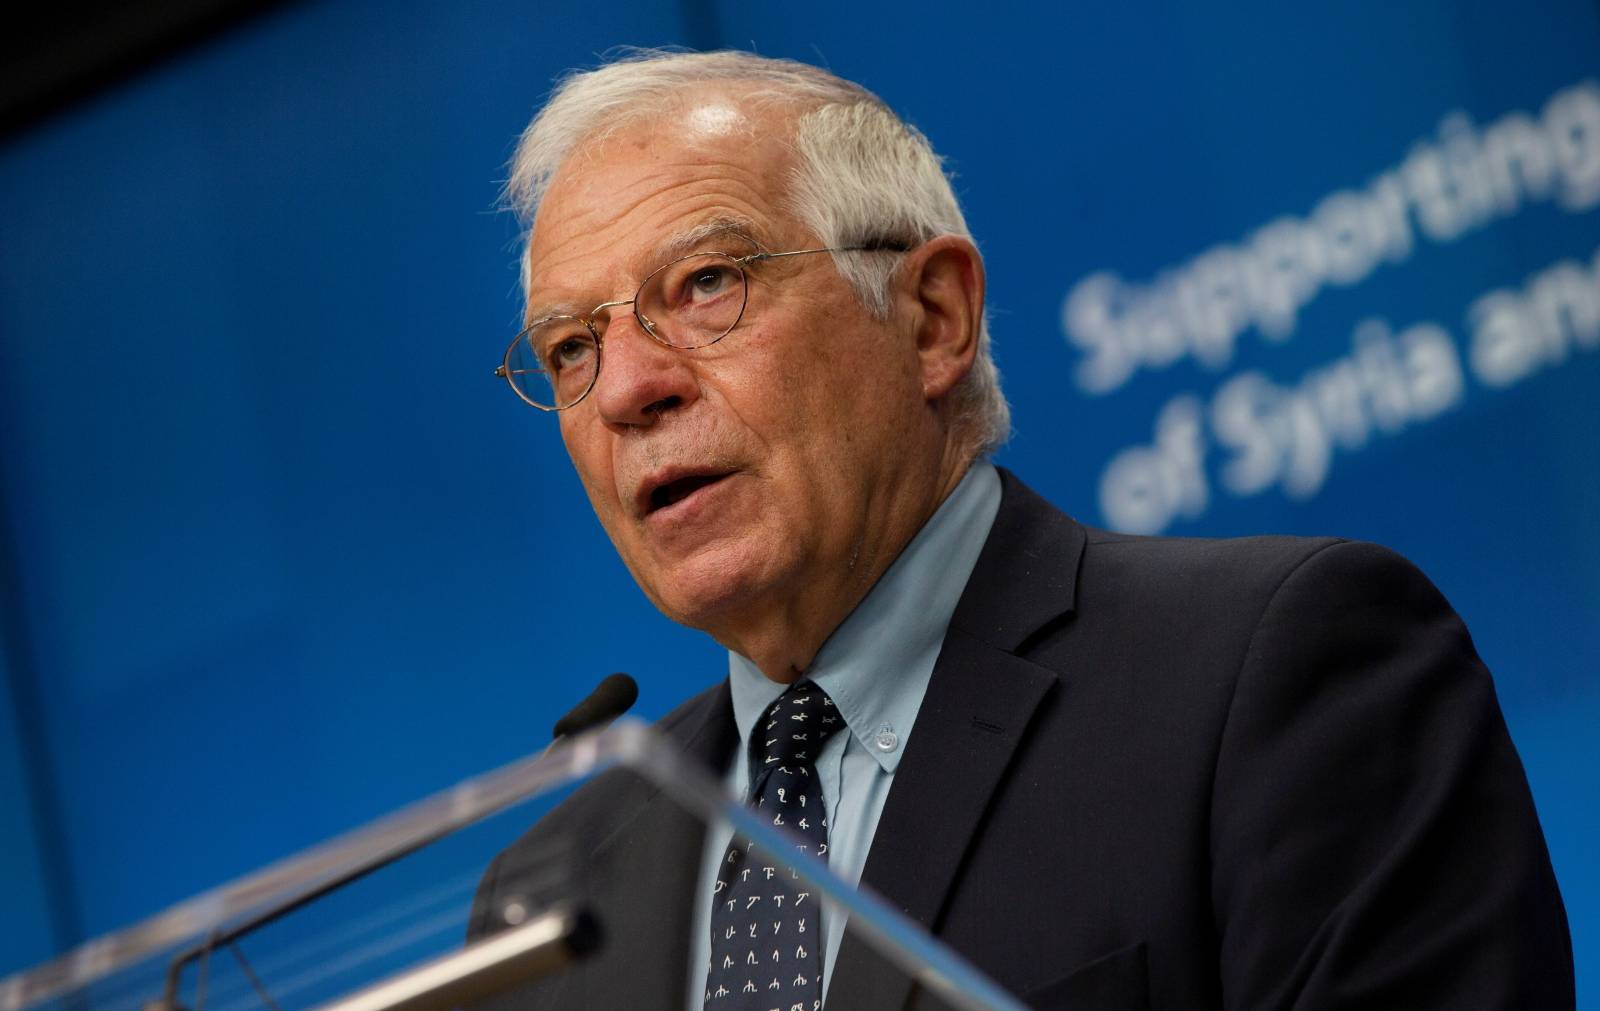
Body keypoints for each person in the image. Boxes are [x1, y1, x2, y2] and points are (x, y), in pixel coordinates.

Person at [468, 50, 1573, 1009]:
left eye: (706, 283)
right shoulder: (555, 890)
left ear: (932, 317)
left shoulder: (1275, 676)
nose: (625, 390)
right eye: (571, 348)